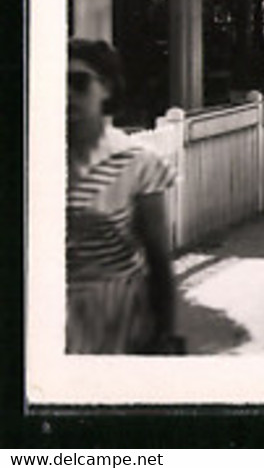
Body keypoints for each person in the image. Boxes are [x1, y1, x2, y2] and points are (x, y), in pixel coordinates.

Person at [67, 39, 182, 354]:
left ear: (106, 88)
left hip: (119, 325)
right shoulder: (32, 159)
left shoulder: (136, 162)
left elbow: (158, 261)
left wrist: (165, 336)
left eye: (79, 82)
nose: (68, 94)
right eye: (58, 81)